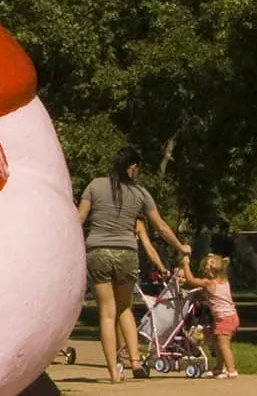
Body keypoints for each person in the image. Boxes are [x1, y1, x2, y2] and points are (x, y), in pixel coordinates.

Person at [77, 149, 191, 382]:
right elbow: (160, 226)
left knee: (107, 313)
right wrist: (181, 247)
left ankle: (113, 372)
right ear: (133, 167)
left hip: (98, 251)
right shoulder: (140, 193)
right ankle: (136, 363)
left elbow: (79, 218)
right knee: (125, 309)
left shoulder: (95, 185)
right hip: (127, 253)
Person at [182, 252, 241, 377]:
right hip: (230, 317)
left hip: (224, 318)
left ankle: (231, 370)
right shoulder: (224, 280)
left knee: (224, 346)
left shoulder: (209, 283)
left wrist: (185, 264)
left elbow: (190, 280)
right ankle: (219, 368)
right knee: (216, 343)